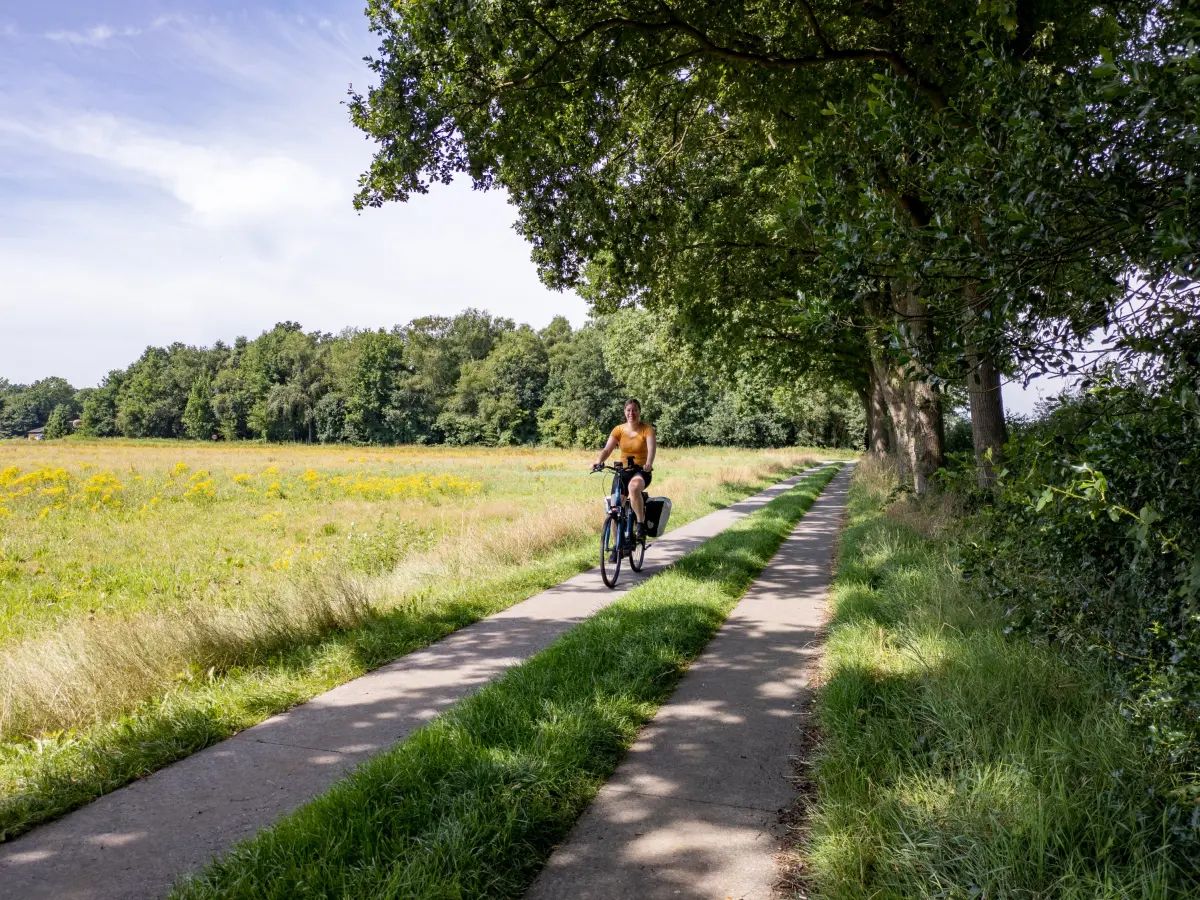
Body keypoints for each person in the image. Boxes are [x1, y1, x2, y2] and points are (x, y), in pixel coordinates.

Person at [592, 398, 657, 539]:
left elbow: (651, 449)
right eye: (628, 410)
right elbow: (607, 449)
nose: (631, 413)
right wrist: (598, 461)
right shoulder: (618, 430)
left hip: (641, 471)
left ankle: (640, 524)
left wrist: (649, 463)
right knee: (615, 507)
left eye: (635, 410)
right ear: (624, 412)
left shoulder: (647, 429)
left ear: (639, 412)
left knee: (633, 488)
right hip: (623, 472)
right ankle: (618, 545)